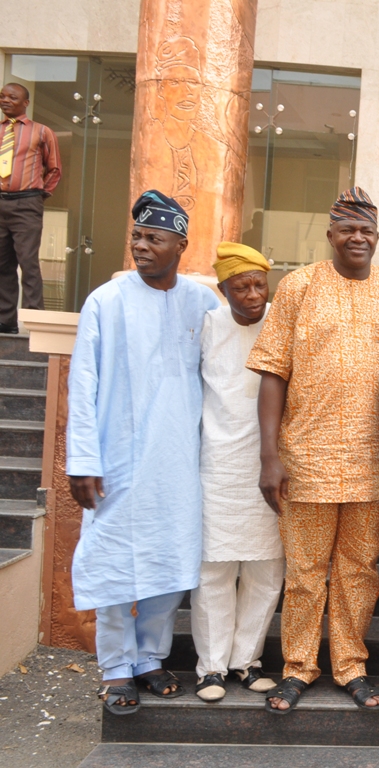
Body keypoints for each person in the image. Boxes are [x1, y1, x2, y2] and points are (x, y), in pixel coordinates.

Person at [248, 187, 379, 714]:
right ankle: (297, 668)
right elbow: (273, 372)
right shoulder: (297, 287)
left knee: (359, 569)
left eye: (366, 229)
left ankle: (350, 666)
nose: (357, 237)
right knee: (303, 571)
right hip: (307, 459)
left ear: (378, 235)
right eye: (347, 228)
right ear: (330, 234)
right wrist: (270, 456)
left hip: (371, 461)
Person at [67, 191, 219, 715]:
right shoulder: (106, 301)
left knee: (168, 557)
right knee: (112, 560)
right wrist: (82, 460)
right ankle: (115, 667)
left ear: (181, 244)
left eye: (154, 238)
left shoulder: (204, 303)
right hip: (116, 459)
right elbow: (81, 385)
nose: (141, 246)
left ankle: (150, 658)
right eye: (136, 236)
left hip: (178, 461)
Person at [189, 242, 283, 702]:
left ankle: (246, 661)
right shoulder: (208, 325)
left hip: (272, 464)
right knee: (216, 569)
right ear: (223, 290)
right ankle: (210, 668)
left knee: (266, 568)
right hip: (219, 466)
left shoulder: (283, 324)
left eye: (258, 284)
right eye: (240, 287)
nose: (251, 294)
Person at [0, 83, 61, 333]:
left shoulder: (42, 132)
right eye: (2, 96)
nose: (5, 100)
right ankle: (6, 321)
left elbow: (54, 169)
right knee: (2, 264)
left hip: (27, 203)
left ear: (25, 102)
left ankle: (35, 322)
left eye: (12, 97)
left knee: (28, 263)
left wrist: (38, 195)